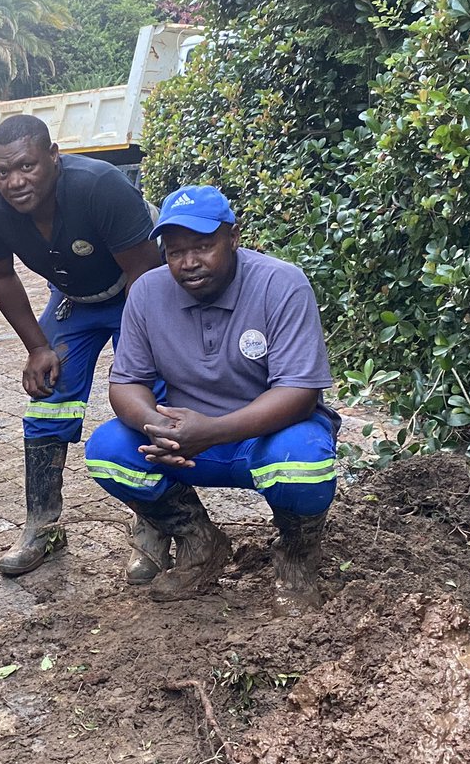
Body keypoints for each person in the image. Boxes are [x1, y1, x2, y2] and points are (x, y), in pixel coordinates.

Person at [83, 185, 339, 614]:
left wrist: (214, 430)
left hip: (266, 438)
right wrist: (155, 424)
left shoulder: (281, 284)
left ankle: (296, 560)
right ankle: (200, 544)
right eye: (175, 251)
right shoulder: (147, 292)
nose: (188, 262)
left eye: (203, 246)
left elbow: (300, 393)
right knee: (107, 451)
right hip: (187, 445)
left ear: (234, 238)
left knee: (305, 460)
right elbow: (125, 382)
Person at [0, 115, 162, 578]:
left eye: (26, 166)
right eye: (1, 171)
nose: (14, 182)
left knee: (147, 398)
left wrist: (132, 361)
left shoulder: (100, 187)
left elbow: (145, 277)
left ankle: (156, 524)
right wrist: (37, 347)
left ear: (54, 156)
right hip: (74, 299)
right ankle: (43, 524)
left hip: (136, 288)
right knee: (48, 396)